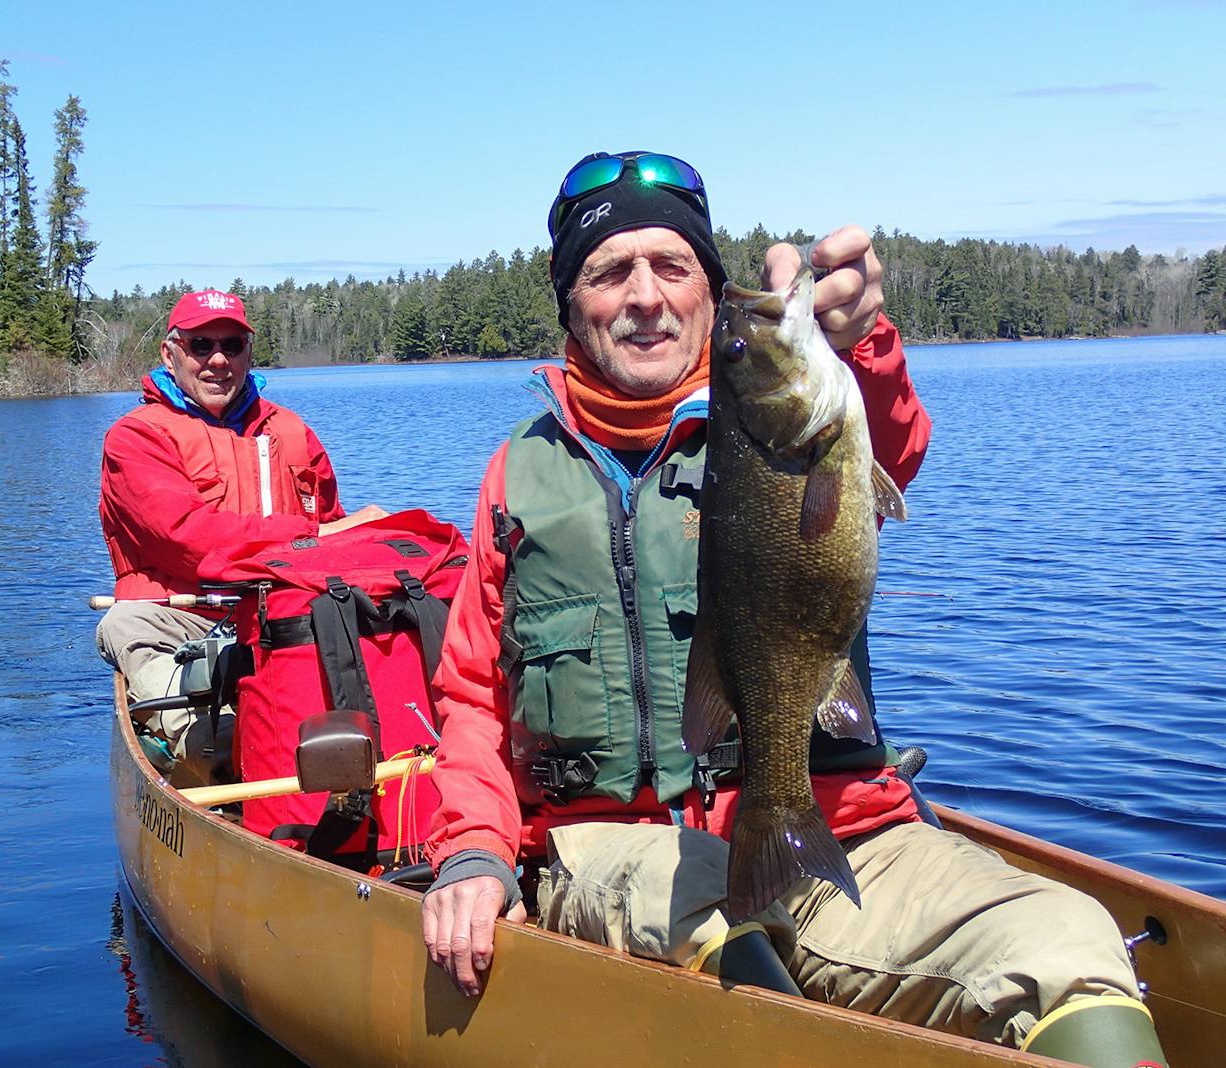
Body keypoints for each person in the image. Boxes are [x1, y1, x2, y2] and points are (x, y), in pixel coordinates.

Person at [418, 152, 1166, 1066]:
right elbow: (469, 698)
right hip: (623, 854)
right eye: (611, 272)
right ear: (572, 304)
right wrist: (473, 854)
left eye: (673, 266)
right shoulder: (516, 478)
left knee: (1067, 941)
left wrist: (861, 338)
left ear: (709, 291)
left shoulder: (796, 405)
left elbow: (888, 439)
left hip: (840, 825)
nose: (645, 295)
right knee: (719, 935)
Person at [96, 288, 384, 764]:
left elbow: (331, 530)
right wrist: (308, 538)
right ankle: (210, 748)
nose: (217, 360)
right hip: (182, 617)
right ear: (170, 354)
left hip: (286, 614)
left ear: (248, 353)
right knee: (125, 623)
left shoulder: (292, 431)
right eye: (200, 345)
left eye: (231, 346)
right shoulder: (136, 436)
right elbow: (187, 539)